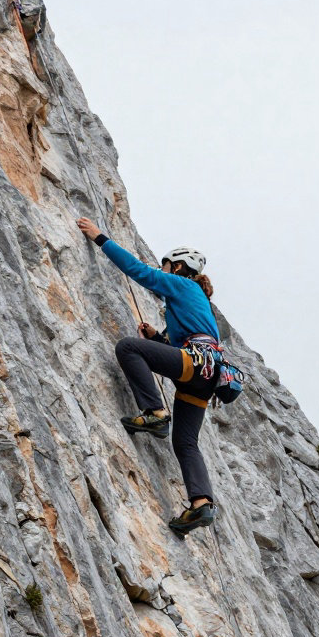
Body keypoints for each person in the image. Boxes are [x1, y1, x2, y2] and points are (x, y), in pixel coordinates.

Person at [76, 216, 221, 535]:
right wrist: (158, 338)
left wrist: (101, 239)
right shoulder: (195, 302)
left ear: (180, 267)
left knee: (128, 348)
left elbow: (140, 273)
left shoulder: (183, 284)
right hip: (207, 375)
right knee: (185, 442)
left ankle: (155, 412)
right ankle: (201, 505)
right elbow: (179, 345)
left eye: (168, 265)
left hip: (195, 362)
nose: (164, 270)